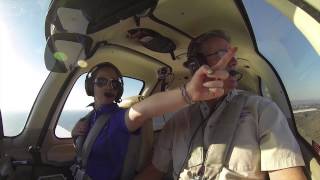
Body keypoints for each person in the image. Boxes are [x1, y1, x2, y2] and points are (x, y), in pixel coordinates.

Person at [135, 30, 307, 180]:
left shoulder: (262, 110)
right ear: (197, 65)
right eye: (223, 54)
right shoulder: (177, 122)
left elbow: (286, 173)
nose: (233, 62)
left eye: (232, 56)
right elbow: (154, 171)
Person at [70, 55, 233, 180]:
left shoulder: (119, 119)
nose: (108, 86)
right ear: (90, 86)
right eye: (101, 81)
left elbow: (142, 111)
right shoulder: (90, 117)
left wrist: (188, 93)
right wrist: (75, 134)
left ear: (118, 90)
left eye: (114, 83)